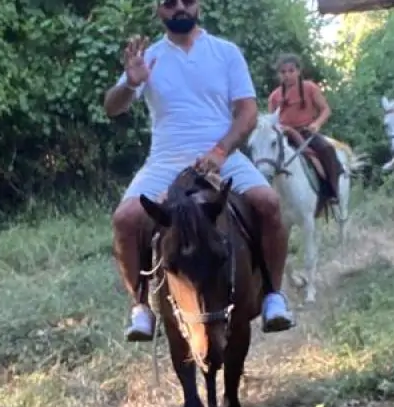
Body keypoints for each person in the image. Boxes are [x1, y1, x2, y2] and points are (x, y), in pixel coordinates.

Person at [103, 0, 294, 342]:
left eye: (187, 1)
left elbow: (248, 113)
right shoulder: (147, 57)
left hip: (223, 154)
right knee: (125, 220)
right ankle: (141, 307)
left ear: (199, 5)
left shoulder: (226, 52)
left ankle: (272, 296)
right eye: (169, 3)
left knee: (269, 204)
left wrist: (220, 151)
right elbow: (112, 108)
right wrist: (130, 84)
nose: (179, 8)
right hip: (166, 159)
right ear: (158, 9)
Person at [266, 54, 343, 204]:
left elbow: (325, 109)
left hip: (307, 133)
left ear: (298, 71)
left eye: (291, 71)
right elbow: (271, 121)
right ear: (279, 75)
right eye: (283, 72)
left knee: (327, 149)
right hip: (284, 135)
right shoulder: (274, 96)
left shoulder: (310, 88)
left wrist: (316, 124)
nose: (287, 75)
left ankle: (332, 191)